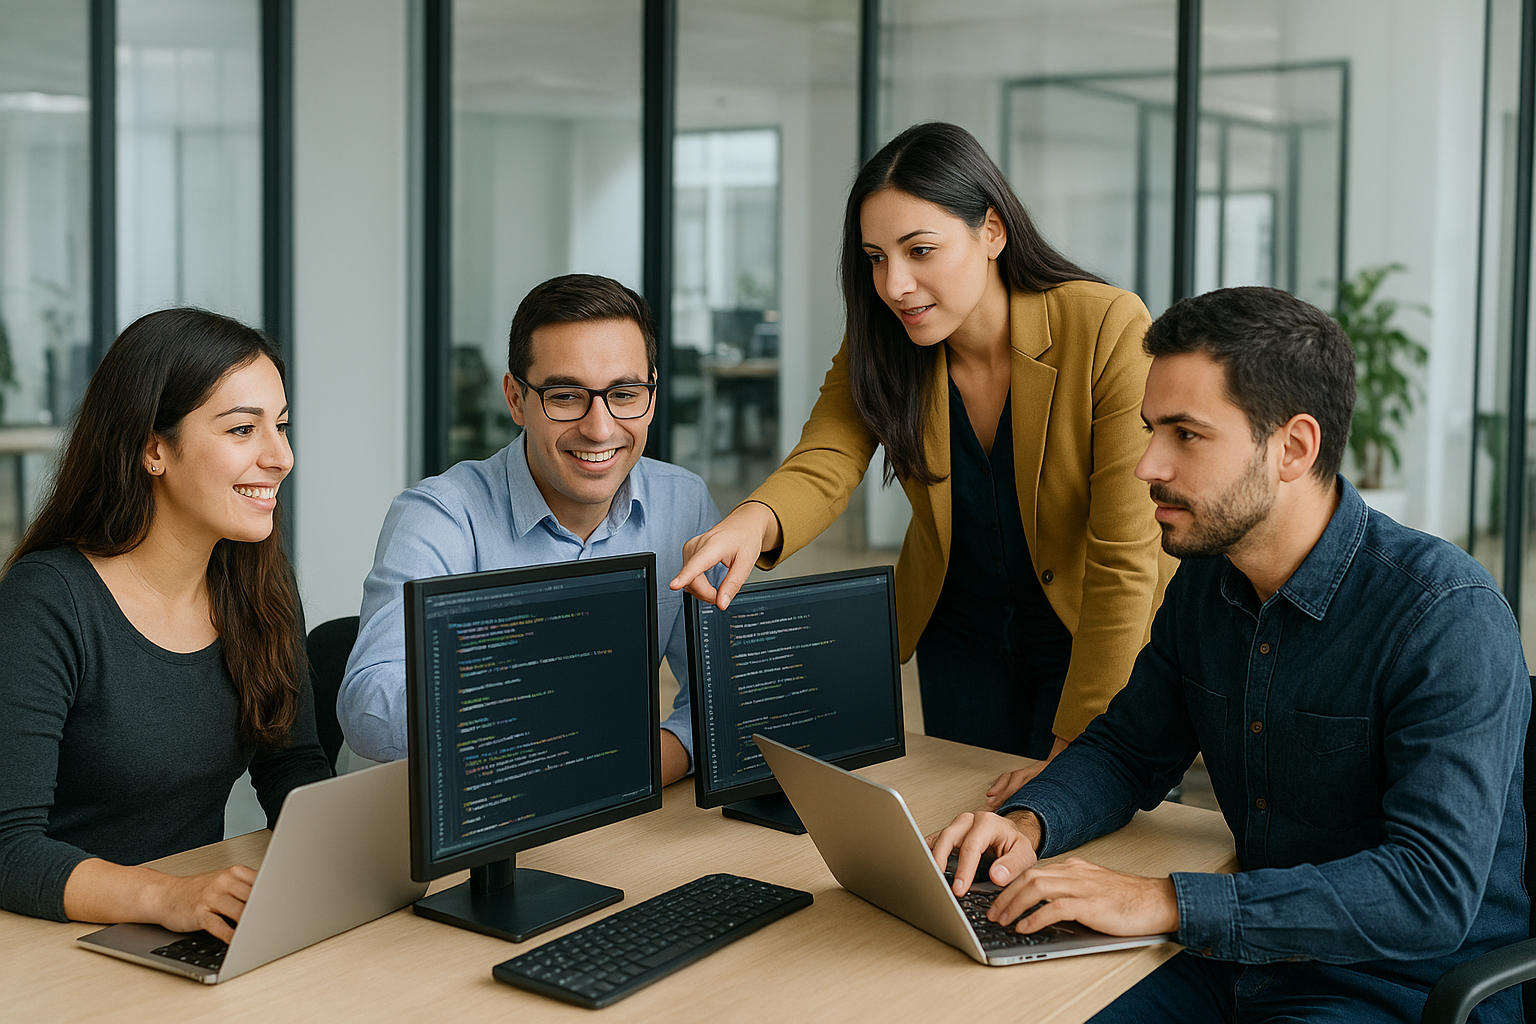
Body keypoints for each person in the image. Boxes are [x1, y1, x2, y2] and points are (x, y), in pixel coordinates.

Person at [931, 286, 1528, 1023]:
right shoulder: (1209, 583)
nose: (1147, 464)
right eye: (1152, 430)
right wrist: (1026, 824)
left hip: (1399, 988)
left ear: (1294, 448)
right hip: (1232, 957)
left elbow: (1427, 890)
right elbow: (1127, 750)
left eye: (1186, 434)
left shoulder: (1445, 615)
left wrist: (1161, 899)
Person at [672, 122, 1170, 773]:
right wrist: (750, 521)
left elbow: (1126, 555)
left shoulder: (1105, 325)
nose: (895, 284)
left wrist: (1081, 739)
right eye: (877, 257)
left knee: (1072, 828)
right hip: (959, 632)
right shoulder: (886, 339)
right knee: (969, 823)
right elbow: (827, 457)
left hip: (1087, 626)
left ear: (992, 231)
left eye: (920, 250)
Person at [0, 308, 331, 941]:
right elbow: (8, 847)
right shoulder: (48, 601)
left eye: (281, 427)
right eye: (242, 430)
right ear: (153, 448)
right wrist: (170, 896)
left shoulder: (259, 583)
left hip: (185, 929)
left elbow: (292, 765)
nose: (281, 457)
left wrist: (344, 863)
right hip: (52, 939)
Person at [338, 274, 719, 785]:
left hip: (603, 804)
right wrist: (528, 711)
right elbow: (368, 706)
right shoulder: (441, 516)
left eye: (625, 393)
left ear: (651, 391)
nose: (600, 428)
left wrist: (641, 759)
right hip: (450, 808)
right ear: (516, 399)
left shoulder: (684, 502)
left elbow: (724, 688)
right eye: (565, 396)